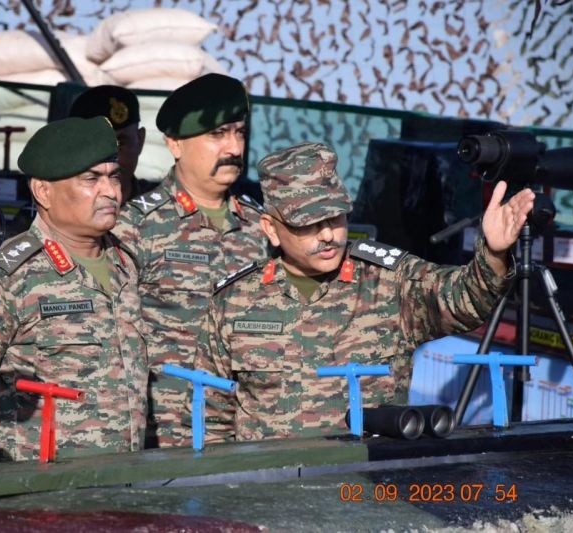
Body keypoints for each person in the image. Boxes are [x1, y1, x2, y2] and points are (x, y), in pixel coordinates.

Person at [207, 141, 535, 442]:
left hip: (364, 487)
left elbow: (463, 300)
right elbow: (211, 416)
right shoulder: (235, 301)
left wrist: (492, 253)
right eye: (308, 223)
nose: (328, 234)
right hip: (268, 490)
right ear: (271, 229)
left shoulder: (389, 282)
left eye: (336, 217)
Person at [0, 117, 148, 462]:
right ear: (43, 191)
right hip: (36, 498)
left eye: (113, 176)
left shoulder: (125, 263)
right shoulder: (3, 278)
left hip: (121, 489)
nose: (111, 191)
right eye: (91, 179)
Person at [113, 73, 268, 448]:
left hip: (245, 431)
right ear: (175, 144)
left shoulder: (263, 228)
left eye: (239, 133)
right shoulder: (135, 226)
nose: (233, 147)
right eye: (217, 134)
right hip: (164, 433)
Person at [69, 84, 155, 203]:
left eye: (120, 143)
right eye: (98, 145)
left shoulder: (164, 207)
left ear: (140, 141)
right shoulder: (57, 204)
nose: (111, 161)